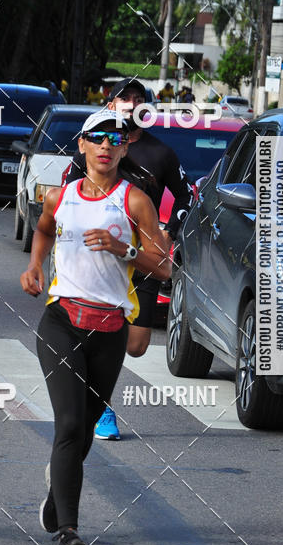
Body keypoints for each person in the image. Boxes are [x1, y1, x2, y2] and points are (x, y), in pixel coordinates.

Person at [21, 108, 170, 545]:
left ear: (124, 149)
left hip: (109, 330)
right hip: (62, 322)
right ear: (82, 145)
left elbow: (164, 266)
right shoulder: (59, 196)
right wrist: (34, 265)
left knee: (84, 430)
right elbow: (43, 230)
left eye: (115, 139)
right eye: (98, 137)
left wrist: (124, 249)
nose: (106, 145)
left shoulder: (135, 201)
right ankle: (68, 534)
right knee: (69, 425)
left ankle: (56, 495)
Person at [62, 78, 193, 439]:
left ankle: (93, 388)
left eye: (138, 98)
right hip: (98, 258)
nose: (131, 103)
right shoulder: (92, 150)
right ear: (111, 104)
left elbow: (186, 197)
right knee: (99, 333)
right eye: (124, 97)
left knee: (135, 345)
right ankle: (101, 405)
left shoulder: (161, 153)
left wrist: (168, 232)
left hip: (142, 260)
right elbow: (67, 196)